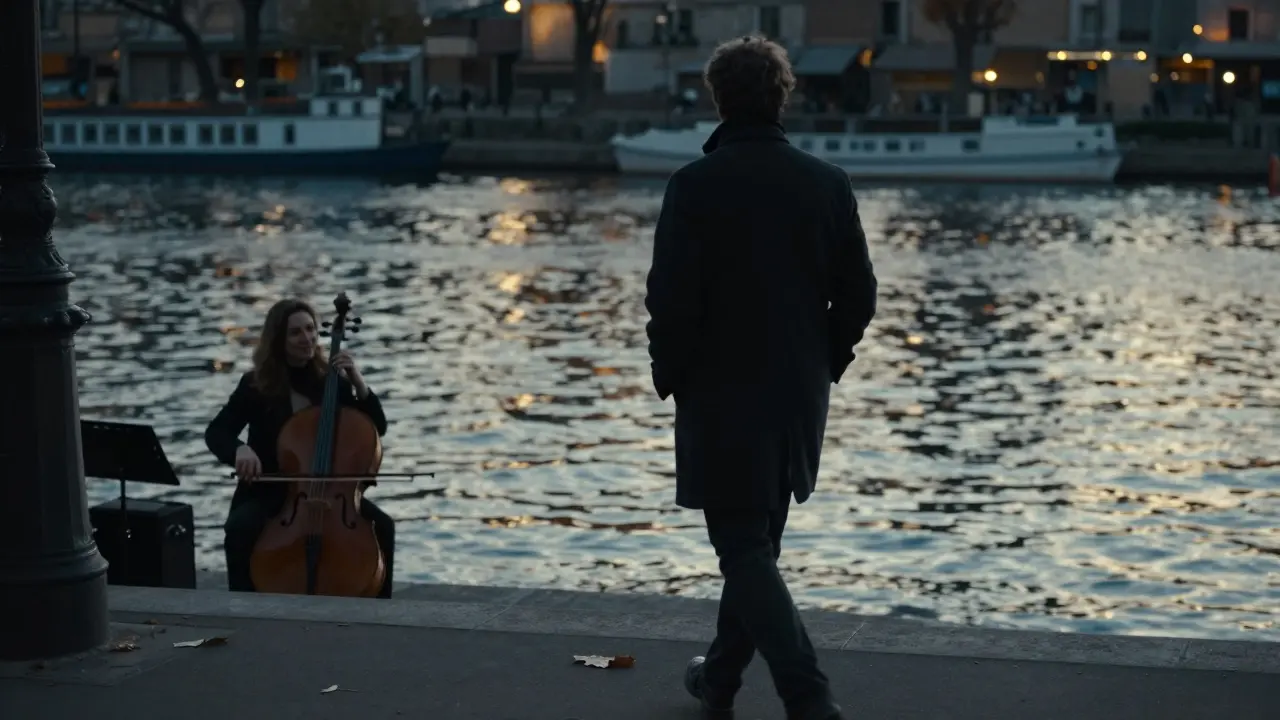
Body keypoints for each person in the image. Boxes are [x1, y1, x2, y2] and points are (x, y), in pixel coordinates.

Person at [644, 36, 877, 720]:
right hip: (798, 395)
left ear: (718, 97)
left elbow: (671, 298)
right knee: (757, 546)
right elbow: (858, 295)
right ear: (783, 95)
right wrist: (823, 360)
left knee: (743, 547)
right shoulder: (827, 183)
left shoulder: (693, 185)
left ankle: (809, 697)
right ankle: (718, 677)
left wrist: (671, 372)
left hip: (720, 393)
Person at [205, 298, 396, 598]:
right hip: (269, 492)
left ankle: (379, 612)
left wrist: (358, 382)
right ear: (278, 338)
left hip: (330, 496)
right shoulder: (256, 385)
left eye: (310, 329)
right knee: (240, 528)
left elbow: (377, 427)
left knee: (382, 526)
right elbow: (217, 432)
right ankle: (242, 608)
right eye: (295, 332)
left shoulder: (331, 382)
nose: (306, 338)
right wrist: (239, 450)